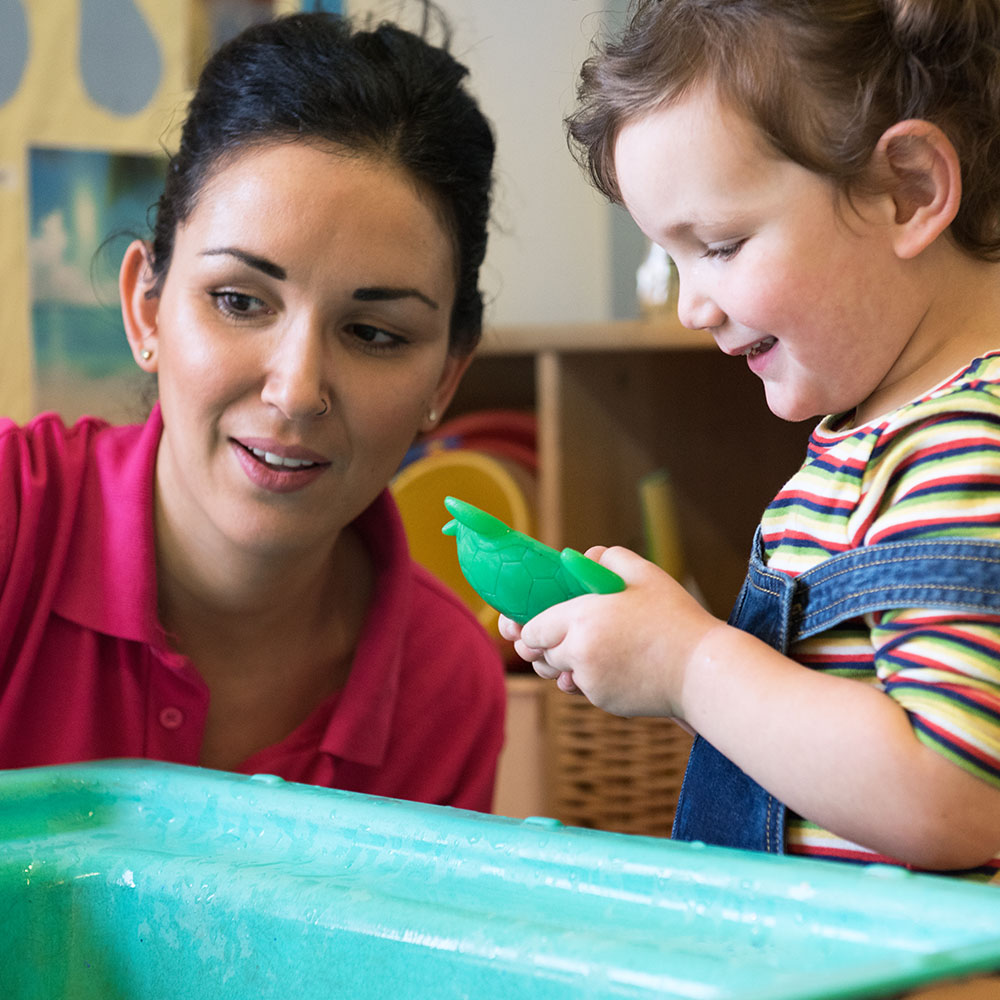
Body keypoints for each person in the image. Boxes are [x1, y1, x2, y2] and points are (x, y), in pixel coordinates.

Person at [501, 0, 1000, 878]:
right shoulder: (872, 439)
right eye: (672, 256)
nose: (693, 307)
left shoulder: (968, 445)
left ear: (909, 191)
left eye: (721, 245)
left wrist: (691, 666)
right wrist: (657, 646)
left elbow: (958, 793)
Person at [0, 6, 507, 813]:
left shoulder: (444, 685)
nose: (297, 390)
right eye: (239, 300)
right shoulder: (13, 523)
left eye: (374, 332)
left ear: (445, 380)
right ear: (146, 309)